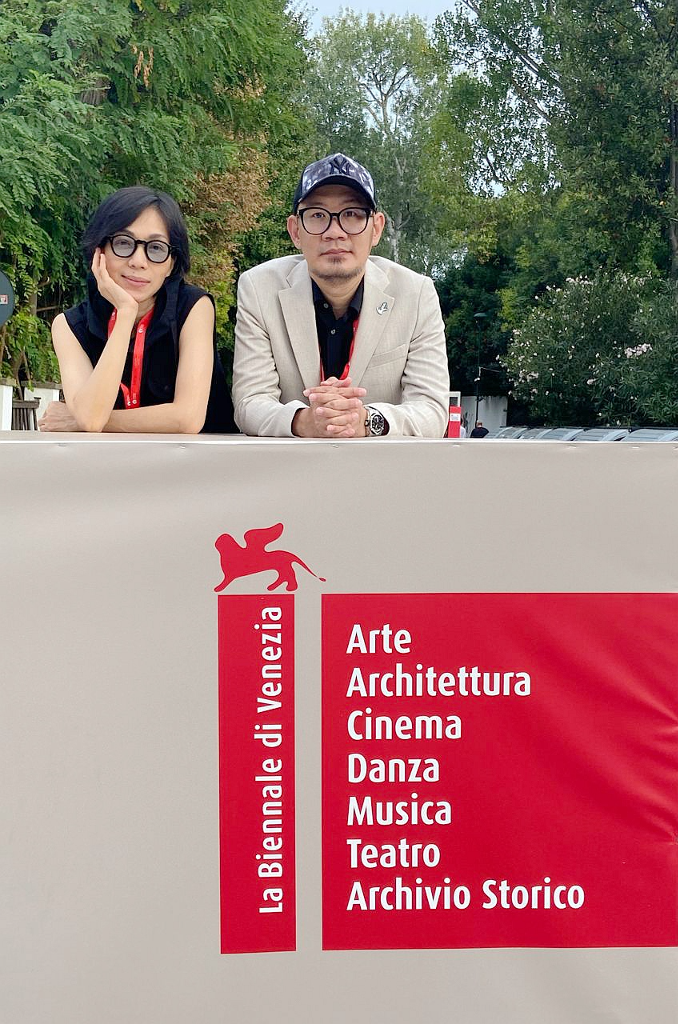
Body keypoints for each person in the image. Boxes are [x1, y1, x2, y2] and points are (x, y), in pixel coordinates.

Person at [232, 154, 449, 438]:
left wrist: (365, 421)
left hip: (382, 463)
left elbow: (432, 411)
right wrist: (305, 421)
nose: (334, 232)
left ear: (376, 229)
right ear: (295, 231)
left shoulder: (416, 294)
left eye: (352, 214)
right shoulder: (259, 288)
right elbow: (249, 403)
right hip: (291, 462)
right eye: (318, 215)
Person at [39, 186, 235, 433]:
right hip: (108, 458)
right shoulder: (69, 326)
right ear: (99, 251)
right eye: (123, 243)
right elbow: (91, 420)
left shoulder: (193, 307)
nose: (138, 261)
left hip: (200, 456)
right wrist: (125, 314)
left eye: (156, 248)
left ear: (171, 264)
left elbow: (187, 419)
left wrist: (76, 419)